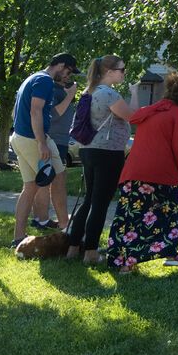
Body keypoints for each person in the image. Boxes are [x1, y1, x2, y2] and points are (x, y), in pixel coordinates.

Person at [106, 70, 178, 273]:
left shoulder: (148, 110)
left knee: (129, 217)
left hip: (133, 172)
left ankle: (122, 263)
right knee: (170, 212)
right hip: (162, 173)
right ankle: (170, 253)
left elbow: (134, 120)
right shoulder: (177, 113)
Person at [66, 55, 132, 263]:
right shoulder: (109, 94)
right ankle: (92, 252)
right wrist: (136, 93)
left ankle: (73, 247)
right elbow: (133, 116)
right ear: (110, 72)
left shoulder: (90, 91)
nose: (124, 73)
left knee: (89, 199)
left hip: (88, 150)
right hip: (108, 153)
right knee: (100, 202)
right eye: (122, 69)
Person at [10, 52, 78, 247]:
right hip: (33, 138)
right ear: (61, 65)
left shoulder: (32, 78)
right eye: (68, 72)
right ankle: (66, 229)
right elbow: (35, 110)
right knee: (58, 177)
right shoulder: (44, 81)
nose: (68, 77)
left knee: (30, 186)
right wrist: (41, 142)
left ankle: (18, 238)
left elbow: (30, 111)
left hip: (20, 137)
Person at [33, 67, 79, 230]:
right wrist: (70, 95)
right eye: (69, 73)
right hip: (53, 139)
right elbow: (54, 114)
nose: (70, 77)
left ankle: (41, 219)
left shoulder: (61, 90)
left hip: (60, 139)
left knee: (47, 179)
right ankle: (46, 220)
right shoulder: (52, 88)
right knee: (51, 179)